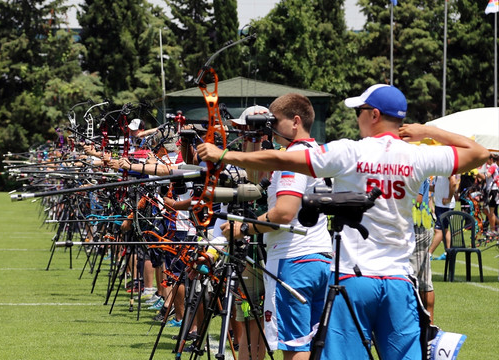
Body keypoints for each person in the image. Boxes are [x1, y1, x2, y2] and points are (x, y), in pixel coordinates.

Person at [196, 84, 489, 359]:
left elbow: (283, 159)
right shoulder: (417, 156)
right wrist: (427, 130)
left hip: (353, 279)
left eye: (359, 110)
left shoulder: (350, 151)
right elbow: (479, 153)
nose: (357, 116)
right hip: (399, 280)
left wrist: (224, 154)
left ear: (374, 115)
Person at [222, 94, 333, 360]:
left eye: (275, 121)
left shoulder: (292, 157)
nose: (271, 127)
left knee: (295, 347)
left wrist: (243, 229)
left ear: (295, 122)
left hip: (292, 260)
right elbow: (255, 180)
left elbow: (283, 213)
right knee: (316, 344)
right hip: (321, 258)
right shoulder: (316, 152)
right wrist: (253, 140)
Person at [410, 178, 435, 323]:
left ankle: (417, 324)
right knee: (425, 281)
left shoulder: (415, 169)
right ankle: (429, 325)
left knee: (409, 280)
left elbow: (417, 200)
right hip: (421, 226)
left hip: (418, 228)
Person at [428, 175, 457, 260]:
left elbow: (453, 183)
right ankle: (448, 253)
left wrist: (449, 198)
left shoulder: (447, 168)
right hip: (439, 204)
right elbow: (436, 187)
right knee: (445, 229)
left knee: (438, 230)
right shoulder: (439, 170)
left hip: (446, 205)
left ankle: (429, 253)